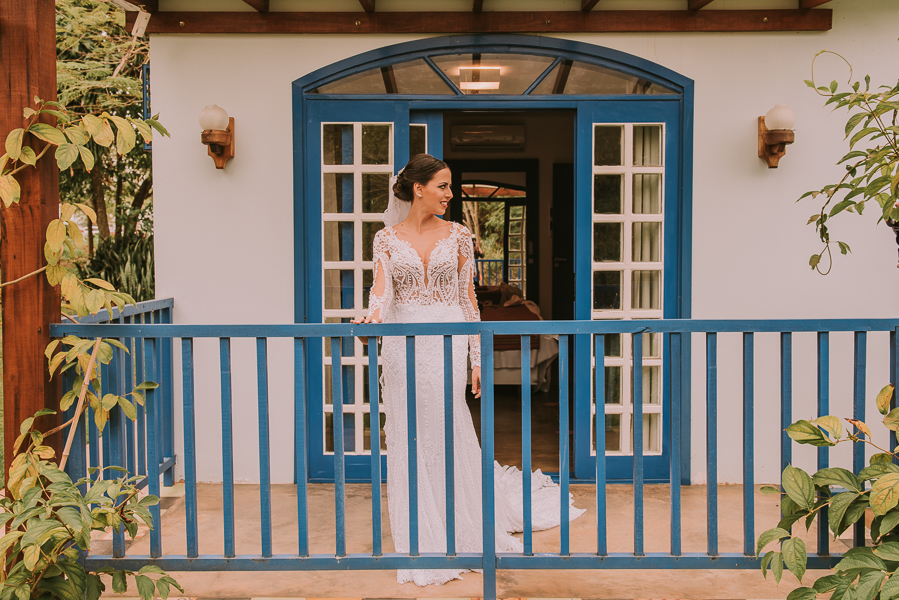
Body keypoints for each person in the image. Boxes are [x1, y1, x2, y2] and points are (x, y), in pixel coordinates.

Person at [352, 154, 584, 587]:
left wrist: (478, 360)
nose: (450, 194)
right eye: (443, 186)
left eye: (450, 186)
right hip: (402, 348)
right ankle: (419, 533)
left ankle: (461, 524)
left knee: (446, 429)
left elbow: (468, 301)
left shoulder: (459, 235)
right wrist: (369, 322)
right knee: (407, 435)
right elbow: (381, 296)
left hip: (446, 344)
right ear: (418, 188)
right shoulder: (385, 239)